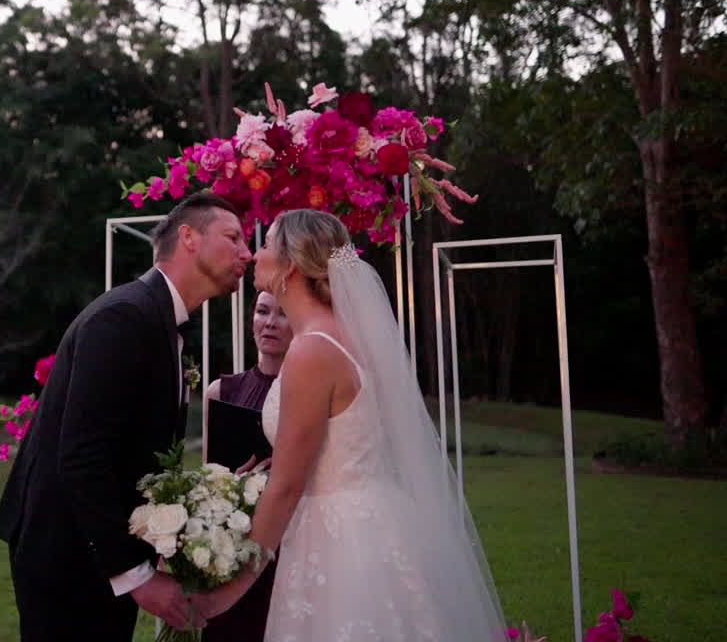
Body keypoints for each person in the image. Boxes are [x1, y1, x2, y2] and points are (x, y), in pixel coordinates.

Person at [194, 209, 506, 641]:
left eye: (265, 244)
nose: (254, 254)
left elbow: (287, 485)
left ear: (290, 264)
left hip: (340, 542)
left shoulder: (312, 351)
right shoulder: (340, 336)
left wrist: (231, 590)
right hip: (367, 519)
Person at [0, 191, 253, 642]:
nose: (246, 253)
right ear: (187, 237)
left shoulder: (160, 324)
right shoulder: (122, 319)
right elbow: (82, 456)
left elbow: (132, 454)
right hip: (66, 553)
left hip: (97, 549)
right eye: (233, 237)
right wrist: (136, 575)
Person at [200, 290, 290, 642]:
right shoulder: (220, 391)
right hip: (234, 544)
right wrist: (234, 485)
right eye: (262, 311)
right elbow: (208, 482)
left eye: (282, 314)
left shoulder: (310, 395)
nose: (269, 322)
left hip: (291, 543)